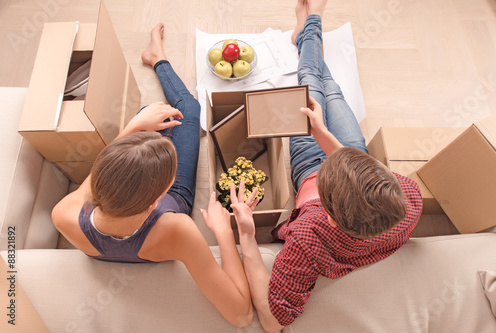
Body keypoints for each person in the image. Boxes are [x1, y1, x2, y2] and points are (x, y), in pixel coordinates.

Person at [229, 1, 424, 331]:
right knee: (331, 89)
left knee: (308, 81)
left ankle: (310, 24)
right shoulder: (407, 199)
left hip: (307, 167)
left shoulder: (309, 235)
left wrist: (246, 236)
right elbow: (354, 165)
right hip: (354, 152)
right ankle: (305, 32)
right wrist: (328, 138)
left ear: (329, 214)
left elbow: (275, 321)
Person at [51, 23, 253, 328]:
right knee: (187, 108)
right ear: (159, 196)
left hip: (130, 200)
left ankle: (153, 70)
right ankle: (158, 57)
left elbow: (98, 174)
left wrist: (134, 126)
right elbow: (241, 315)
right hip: (166, 213)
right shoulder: (178, 229)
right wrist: (224, 232)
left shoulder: (64, 215)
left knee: (152, 114)